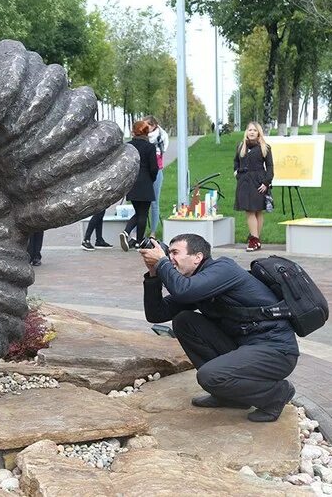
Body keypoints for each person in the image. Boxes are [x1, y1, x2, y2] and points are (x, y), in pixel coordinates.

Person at [138, 233, 298, 422]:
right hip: (244, 345)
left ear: (198, 257)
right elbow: (157, 314)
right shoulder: (196, 281)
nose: (169, 258)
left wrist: (162, 262)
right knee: (184, 320)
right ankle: (230, 397)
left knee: (209, 376)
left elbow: (183, 290)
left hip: (275, 350)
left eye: (175, 253)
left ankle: (276, 395)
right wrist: (154, 273)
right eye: (168, 253)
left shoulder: (223, 269)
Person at [234, 121, 273, 252]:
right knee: (249, 210)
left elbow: (270, 167)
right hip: (244, 183)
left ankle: (255, 240)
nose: (251, 132)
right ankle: (255, 240)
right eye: (249, 129)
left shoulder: (265, 147)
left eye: (254, 130)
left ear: (258, 133)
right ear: (246, 131)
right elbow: (236, 161)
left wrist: (266, 182)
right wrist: (236, 172)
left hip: (259, 182)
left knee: (257, 210)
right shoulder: (241, 146)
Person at [119, 120, 158, 252]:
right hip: (146, 182)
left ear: (134, 131)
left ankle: (129, 234)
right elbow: (154, 168)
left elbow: (124, 166)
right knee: (143, 213)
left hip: (133, 183)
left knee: (139, 212)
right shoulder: (150, 147)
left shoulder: (128, 146)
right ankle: (138, 241)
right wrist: (151, 180)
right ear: (146, 132)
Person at [143, 115, 169, 239]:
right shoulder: (142, 137)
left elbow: (162, 151)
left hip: (156, 171)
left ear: (153, 125)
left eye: (146, 125)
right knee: (142, 202)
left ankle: (153, 232)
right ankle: (138, 232)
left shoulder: (161, 137)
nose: (144, 127)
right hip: (144, 172)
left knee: (154, 202)